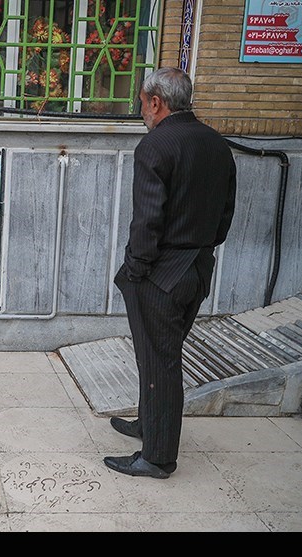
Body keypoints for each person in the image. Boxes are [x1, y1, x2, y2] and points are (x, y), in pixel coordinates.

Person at [104, 67, 236, 479]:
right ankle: (149, 424)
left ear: (157, 102)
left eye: (143, 103)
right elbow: (225, 213)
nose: (142, 111)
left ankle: (158, 457)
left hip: (162, 272)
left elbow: (147, 219)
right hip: (197, 266)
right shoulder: (216, 143)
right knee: (157, 355)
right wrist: (200, 248)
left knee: (161, 362)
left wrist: (136, 268)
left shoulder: (156, 144)